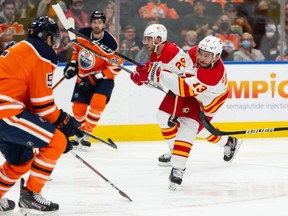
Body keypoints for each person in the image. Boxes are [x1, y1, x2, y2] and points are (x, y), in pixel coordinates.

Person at [130, 32, 241, 191]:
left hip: (205, 101)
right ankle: (177, 151)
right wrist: (147, 76)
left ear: (216, 57)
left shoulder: (212, 76)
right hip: (188, 85)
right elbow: (177, 69)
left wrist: (155, 73)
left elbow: (183, 88)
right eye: (201, 53)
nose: (201, 57)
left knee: (189, 126)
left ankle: (178, 168)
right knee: (162, 117)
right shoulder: (196, 52)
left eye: (206, 56)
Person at [0, 16, 83, 214]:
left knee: (21, 161)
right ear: (47, 38)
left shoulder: (21, 48)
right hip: (6, 113)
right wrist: (64, 123)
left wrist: (55, 127)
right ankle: (30, 195)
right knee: (56, 142)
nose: (54, 45)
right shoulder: (42, 52)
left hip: (6, 113)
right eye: (53, 39)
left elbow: (33, 105)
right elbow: (42, 106)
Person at [63, 11, 122, 151]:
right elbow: (76, 50)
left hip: (104, 78)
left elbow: (115, 67)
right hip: (83, 75)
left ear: (104, 24)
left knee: (98, 102)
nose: (97, 25)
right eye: (94, 22)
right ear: (91, 23)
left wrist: (96, 77)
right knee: (78, 108)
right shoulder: (82, 35)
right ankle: (79, 132)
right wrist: (72, 65)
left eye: (99, 22)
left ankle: (87, 133)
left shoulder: (110, 43)